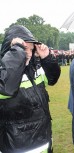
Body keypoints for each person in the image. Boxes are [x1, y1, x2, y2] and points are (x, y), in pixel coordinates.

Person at [0, 25, 60, 153]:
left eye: (30, 49)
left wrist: (47, 58)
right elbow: (6, 88)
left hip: (44, 142)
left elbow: (52, 79)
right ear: (12, 49)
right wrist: (17, 51)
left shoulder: (34, 68)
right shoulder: (4, 72)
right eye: (23, 48)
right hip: (17, 146)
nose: (28, 53)